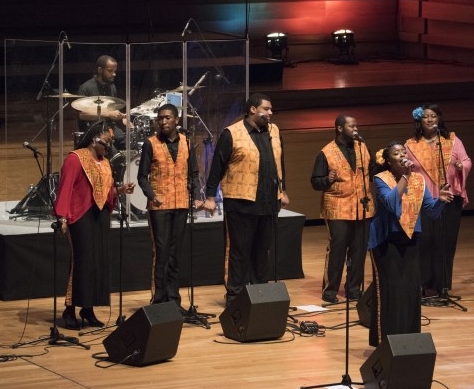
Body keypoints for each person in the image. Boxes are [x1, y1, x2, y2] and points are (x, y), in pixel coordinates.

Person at [201, 93, 289, 307]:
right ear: (252, 109)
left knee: (262, 251)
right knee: (239, 251)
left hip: (268, 202)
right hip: (240, 202)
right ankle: (235, 295)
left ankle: (259, 293)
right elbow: (217, 167)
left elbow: (280, 162)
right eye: (266, 109)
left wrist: (283, 190)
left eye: (271, 109)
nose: (270, 113)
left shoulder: (274, 131)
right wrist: (211, 196)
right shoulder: (232, 133)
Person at [368, 141, 453, 347]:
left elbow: (431, 211)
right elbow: (390, 202)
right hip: (385, 241)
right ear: (388, 161)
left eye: (403, 152)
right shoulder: (381, 179)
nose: (401, 155)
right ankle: (384, 342)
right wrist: (405, 176)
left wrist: (440, 200)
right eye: (396, 153)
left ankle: (409, 340)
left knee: (410, 291)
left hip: (411, 240)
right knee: (390, 292)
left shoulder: (419, 180)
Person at [53, 122, 135, 330]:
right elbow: (65, 188)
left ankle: (87, 309)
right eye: (106, 143)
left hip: (100, 216)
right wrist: (62, 217)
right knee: (81, 262)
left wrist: (121, 190)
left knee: (97, 262)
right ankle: (69, 309)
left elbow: (105, 192)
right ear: (93, 140)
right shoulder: (75, 158)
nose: (108, 148)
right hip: (80, 216)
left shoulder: (105, 163)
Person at [137, 104, 203, 309]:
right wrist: (152, 195)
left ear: (176, 120)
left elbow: (193, 173)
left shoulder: (187, 142)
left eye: (167, 118)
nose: (163, 122)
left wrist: (195, 193)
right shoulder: (151, 143)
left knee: (175, 252)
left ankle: (174, 300)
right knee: (162, 251)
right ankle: (159, 300)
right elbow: (142, 176)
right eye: (160, 119)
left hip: (181, 203)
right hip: (160, 206)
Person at [406, 104, 471, 297]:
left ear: (439, 119)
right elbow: (404, 167)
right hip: (424, 200)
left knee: (446, 242)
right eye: (425, 116)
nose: (429, 119)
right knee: (425, 242)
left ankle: (443, 285)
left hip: (449, 197)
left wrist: (461, 165)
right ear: (420, 120)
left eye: (433, 116)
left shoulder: (451, 139)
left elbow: (467, 160)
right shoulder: (411, 144)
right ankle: (424, 284)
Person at [310, 114, 376, 304]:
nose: (356, 129)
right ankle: (330, 290)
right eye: (351, 126)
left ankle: (354, 290)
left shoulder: (362, 148)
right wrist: (327, 179)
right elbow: (315, 182)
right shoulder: (326, 152)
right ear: (340, 128)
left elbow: (372, 171)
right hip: (338, 208)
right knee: (338, 250)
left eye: (356, 125)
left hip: (362, 207)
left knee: (359, 250)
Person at [77, 55, 128, 150]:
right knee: (111, 150)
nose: (114, 74)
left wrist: (122, 118)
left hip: (111, 128)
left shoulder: (112, 87)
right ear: (100, 70)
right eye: (110, 71)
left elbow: (113, 109)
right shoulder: (85, 88)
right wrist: (108, 114)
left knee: (130, 143)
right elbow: (82, 115)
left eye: (114, 71)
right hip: (94, 131)